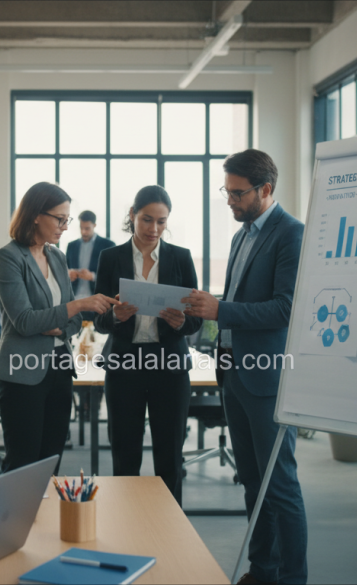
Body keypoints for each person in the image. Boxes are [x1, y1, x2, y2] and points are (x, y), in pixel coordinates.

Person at [182, 149, 307, 585]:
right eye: (227, 191)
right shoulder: (242, 235)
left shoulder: (291, 234)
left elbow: (286, 309)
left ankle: (293, 579)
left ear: (265, 190)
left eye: (237, 194)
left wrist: (221, 310)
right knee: (252, 481)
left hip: (268, 378)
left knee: (281, 487)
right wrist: (204, 310)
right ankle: (263, 570)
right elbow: (234, 301)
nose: (230, 201)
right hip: (233, 373)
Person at [0, 182, 116, 474]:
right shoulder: (8, 258)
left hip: (60, 367)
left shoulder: (57, 257)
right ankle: (18, 521)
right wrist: (76, 307)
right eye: (60, 219)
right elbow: (24, 321)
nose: (65, 227)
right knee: (23, 464)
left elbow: (71, 324)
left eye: (66, 220)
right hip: (23, 371)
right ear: (36, 215)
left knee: (51, 460)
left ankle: (45, 521)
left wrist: (56, 323)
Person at [93, 186, 203, 506]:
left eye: (161, 222)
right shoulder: (110, 257)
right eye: (146, 220)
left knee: (169, 458)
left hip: (168, 368)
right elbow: (98, 320)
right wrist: (114, 316)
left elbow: (196, 320)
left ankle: (171, 533)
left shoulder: (180, 257)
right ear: (133, 216)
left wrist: (181, 322)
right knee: (125, 457)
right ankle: (126, 527)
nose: (153, 229)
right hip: (124, 367)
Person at [66, 210, 115, 321]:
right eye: (81, 228)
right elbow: (64, 270)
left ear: (95, 225)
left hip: (97, 302)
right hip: (74, 301)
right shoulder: (71, 246)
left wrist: (93, 276)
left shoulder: (108, 245)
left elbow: (112, 276)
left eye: (87, 228)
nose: (83, 232)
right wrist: (68, 274)